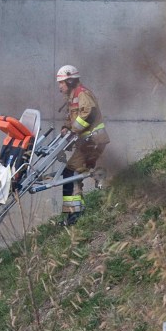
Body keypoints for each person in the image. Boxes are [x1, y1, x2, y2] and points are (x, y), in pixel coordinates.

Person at [56, 65, 109, 226]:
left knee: (70, 172)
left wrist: (73, 129)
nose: (60, 87)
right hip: (88, 142)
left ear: (70, 80)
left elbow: (89, 112)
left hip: (93, 141)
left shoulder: (82, 94)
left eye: (61, 83)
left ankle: (75, 215)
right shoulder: (72, 98)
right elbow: (72, 118)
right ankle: (102, 179)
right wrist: (66, 127)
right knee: (75, 172)